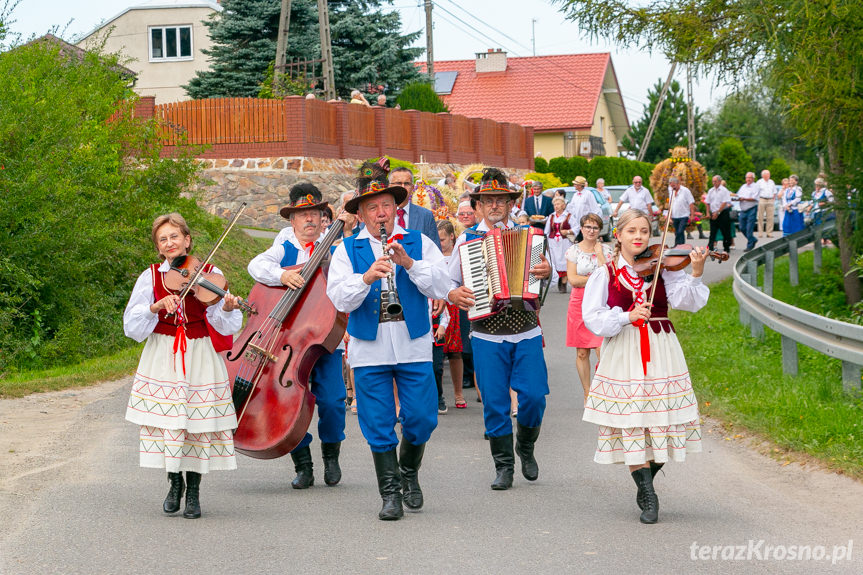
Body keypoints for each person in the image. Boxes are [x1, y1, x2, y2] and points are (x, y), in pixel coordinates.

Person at [326, 161, 450, 521]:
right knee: (378, 423)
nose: (381, 214)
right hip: (370, 347)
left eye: (387, 207)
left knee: (422, 418)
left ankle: (408, 470)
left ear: (396, 208)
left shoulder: (419, 242)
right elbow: (339, 299)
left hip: (413, 343)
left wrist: (410, 264)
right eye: (373, 208)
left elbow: (442, 286)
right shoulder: (346, 250)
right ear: (361, 214)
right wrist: (365, 277)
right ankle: (391, 492)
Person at [582, 209, 709, 524]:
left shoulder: (664, 269)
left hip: (662, 347)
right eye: (631, 231)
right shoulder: (606, 272)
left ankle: (646, 479)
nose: (638, 237)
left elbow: (687, 302)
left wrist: (695, 271)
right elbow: (593, 317)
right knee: (633, 421)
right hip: (625, 349)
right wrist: (626, 316)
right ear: (619, 235)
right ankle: (649, 496)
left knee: (663, 419)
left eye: (643, 231)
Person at [124, 213, 243, 519]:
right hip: (163, 355)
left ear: (187, 239)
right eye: (163, 239)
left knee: (196, 426)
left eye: (174, 237)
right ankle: (174, 483)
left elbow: (224, 323)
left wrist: (224, 307)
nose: (170, 243)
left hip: (199, 354)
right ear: (158, 247)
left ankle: (194, 493)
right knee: (169, 424)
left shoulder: (209, 273)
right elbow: (132, 327)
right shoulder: (150, 276)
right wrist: (155, 306)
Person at [447, 168, 553, 491]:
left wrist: (547, 271)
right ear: (478, 206)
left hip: (526, 329)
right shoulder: (466, 240)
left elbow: (548, 277)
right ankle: (504, 465)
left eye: (501, 200)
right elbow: (449, 282)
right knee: (495, 402)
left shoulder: (529, 236)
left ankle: (526, 445)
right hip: (486, 333)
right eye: (488, 200)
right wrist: (455, 294)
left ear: (509, 204)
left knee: (534, 396)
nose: (495, 205)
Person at [247, 183, 347, 490]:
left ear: (323, 217)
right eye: (302, 215)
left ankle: (331, 457)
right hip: (292, 341)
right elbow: (256, 265)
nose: (309, 220)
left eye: (315, 214)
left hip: (325, 338)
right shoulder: (284, 247)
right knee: (290, 400)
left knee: (332, 402)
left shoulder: (337, 249)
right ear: (293, 221)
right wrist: (281, 274)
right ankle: (303, 465)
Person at [565, 213, 612, 403]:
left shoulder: (607, 251)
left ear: (600, 231)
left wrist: (600, 253)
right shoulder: (573, 251)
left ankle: (603, 390)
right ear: (581, 229)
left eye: (595, 228)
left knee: (603, 349)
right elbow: (573, 279)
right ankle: (587, 392)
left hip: (601, 302)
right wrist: (595, 279)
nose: (591, 231)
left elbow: (609, 275)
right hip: (579, 303)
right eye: (587, 227)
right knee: (582, 352)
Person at [435, 219, 466, 409]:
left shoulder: (458, 253)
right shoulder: (433, 256)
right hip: (437, 305)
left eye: (443, 239)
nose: (440, 244)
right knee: (437, 356)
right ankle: (437, 394)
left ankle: (458, 392)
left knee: (455, 352)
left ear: (452, 237)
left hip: (453, 306)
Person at [389, 167, 442, 249]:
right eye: (398, 183)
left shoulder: (425, 216)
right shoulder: (379, 215)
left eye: (407, 184)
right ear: (389, 186)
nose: (403, 187)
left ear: (412, 188)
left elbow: (435, 251)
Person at [544, 196, 575, 293]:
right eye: (554, 205)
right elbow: (547, 231)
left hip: (565, 242)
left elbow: (576, 228)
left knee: (565, 261)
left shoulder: (568, 216)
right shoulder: (551, 216)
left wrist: (568, 231)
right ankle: (558, 280)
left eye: (558, 204)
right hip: (554, 243)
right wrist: (546, 241)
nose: (556, 207)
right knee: (555, 261)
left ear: (563, 205)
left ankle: (564, 283)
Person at [565, 175, 601, 240]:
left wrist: (592, 220)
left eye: (575, 184)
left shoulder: (588, 194)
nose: (574, 185)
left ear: (579, 185)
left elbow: (594, 208)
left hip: (586, 222)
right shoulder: (575, 195)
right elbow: (571, 207)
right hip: (577, 223)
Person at [705, 175, 732, 253]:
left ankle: (726, 247)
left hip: (722, 213)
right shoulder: (711, 191)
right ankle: (710, 247)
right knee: (712, 231)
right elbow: (707, 202)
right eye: (713, 181)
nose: (714, 183)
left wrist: (718, 212)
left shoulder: (724, 190)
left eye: (715, 181)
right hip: (713, 212)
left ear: (720, 181)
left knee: (725, 231)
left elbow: (724, 202)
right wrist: (708, 213)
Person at [667, 176, 696, 247]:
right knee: (677, 232)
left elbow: (691, 203)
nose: (672, 187)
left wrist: (692, 215)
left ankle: (679, 245)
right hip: (675, 215)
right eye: (671, 186)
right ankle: (679, 245)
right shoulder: (670, 190)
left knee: (680, 231)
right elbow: (670, 203)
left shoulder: (685, 191)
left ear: (678, 184)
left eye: (674, 186)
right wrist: (669, 216)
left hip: (684, 215)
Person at [736, 172, 760, 252]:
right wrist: (736, 198)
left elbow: (755, 198)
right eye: (747, 177)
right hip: (743, 209)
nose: (748, 179)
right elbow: (738, 195)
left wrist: (744, 199)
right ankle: (753, 239)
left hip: (751, 208)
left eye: (750, 177)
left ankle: (749, 245)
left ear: (753, 178)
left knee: (749, 228)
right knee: (742, 227)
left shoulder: (756, 186)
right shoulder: (743, 187)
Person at [756, 169, 777, 238]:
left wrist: (773, 199)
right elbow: (756, 192)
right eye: (767, 174)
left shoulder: (771, 182)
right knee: (760, 217)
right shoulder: (759, 182)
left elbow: (774, 192)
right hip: (762, 199)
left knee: (770, 217)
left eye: (769, 174)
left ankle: (769, 233)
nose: (769, 176)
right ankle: (760, 233)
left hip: (770, 200)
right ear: (763, 175)